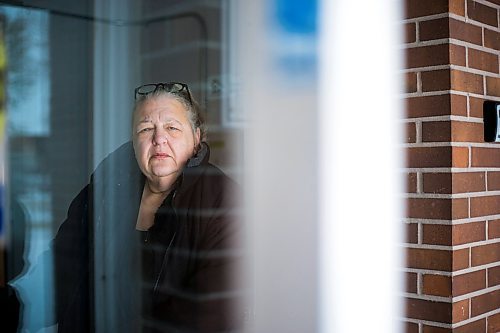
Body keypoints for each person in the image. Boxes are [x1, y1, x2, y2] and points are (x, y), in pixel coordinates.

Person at [52, 82, 243, 332]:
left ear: (196, 138)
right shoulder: (106, 187)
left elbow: (210, 309)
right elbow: (61, 270)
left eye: (172, 128)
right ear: (134, 141)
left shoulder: (222, 199)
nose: (158, 139)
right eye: (145, 128)